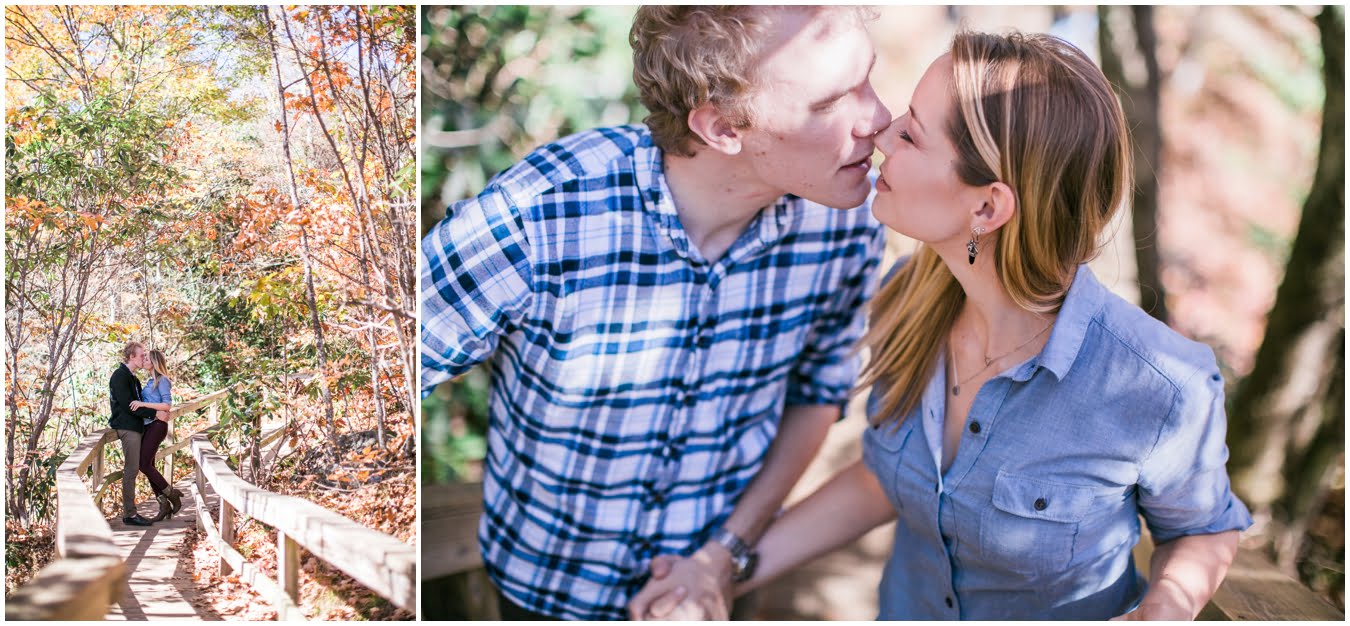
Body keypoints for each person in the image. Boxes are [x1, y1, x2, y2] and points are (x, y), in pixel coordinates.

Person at [633, 31, 1253, 620]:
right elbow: (885, 480)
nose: (883, 133)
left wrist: (1165, 608)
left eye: (913, 135)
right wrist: (718, 569)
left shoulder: (1161, 385)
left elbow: (1204, 527)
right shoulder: (910, 301)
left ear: (987, 206)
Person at [420, 6, 891, 620]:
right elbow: (384, 361)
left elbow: (817, 394)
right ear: (722, 128)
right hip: (545, 597)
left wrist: (723, 556)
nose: (879, 118)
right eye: (830, 103)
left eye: (868, 79)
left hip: (722, 589)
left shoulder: (850, 223)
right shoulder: (541, 214)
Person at [109, 342, 161, 527]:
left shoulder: (133, 378)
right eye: (141, 355)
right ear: (131, 356)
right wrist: (154, 414)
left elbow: (139, 403)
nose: (143, 358)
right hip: (128, 427)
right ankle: (130, 514)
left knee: (138, 467)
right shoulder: (120, 376)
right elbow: (128, 405)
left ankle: (137, 510)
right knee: (131, 469)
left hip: (137, 426)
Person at [129, 349, 183, 522]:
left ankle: (171, 494)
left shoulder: (162, 380)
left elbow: (167, 405)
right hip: (148, 426)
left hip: (157, 426)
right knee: (148, 464)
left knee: (143, 464)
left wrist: (142, 403)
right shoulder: (150, 381)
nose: (143, 360)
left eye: (147, 358)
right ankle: (164, 504)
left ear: (154, 362)